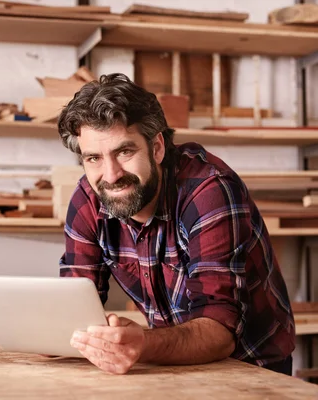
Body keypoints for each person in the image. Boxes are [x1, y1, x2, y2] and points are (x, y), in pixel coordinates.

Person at [56, 73, 296, 376]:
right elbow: (72, 309)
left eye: (124, 152)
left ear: (157, 148)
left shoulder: (208, 191)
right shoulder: (89, 197)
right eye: (93, 158)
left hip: (250, 368)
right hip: (171, 363)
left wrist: (143, 342)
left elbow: (220, 332)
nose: (111, 174)